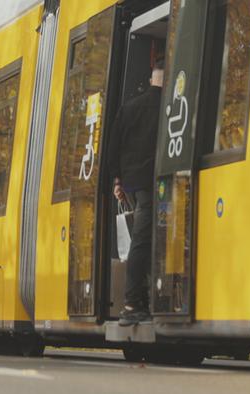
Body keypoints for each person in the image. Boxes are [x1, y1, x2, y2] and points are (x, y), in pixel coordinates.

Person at [107, 59, 164, 326]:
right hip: (155, 185)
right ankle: (132, 303)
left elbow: (114, 147)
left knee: (142, 240)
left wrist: (118, 181)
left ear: (152, 77)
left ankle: (143, 298)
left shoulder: (129, 108)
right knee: (144, 241)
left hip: (133, 186)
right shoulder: (169, 106)